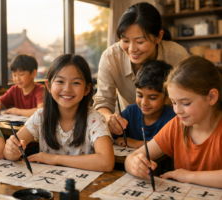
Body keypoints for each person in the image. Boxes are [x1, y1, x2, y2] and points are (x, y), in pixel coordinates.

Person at [4, 54, 115, 172]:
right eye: (60, 81)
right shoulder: (41, 116)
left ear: (87, 89)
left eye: (76, 83)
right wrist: (11, 150)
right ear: (49, 86)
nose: (67, 89)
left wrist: (55, 159)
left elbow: (106, 162)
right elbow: (9, 153)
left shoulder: (95, 119)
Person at [93, 2, 189, 138]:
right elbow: (103, 102)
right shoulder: (110, 57)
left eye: (140, 42)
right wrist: (110, 119)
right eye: (125, 40)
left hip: (171, 129)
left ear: (159, 37)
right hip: (129, 128)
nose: (132, 49)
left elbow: (188, 101)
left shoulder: (178, 55)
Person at [125, 56, 222, 188]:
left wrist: (189, 176)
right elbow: (133, 157)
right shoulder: (177, 125)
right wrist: (135, 164)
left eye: (185, 103)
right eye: (173, 102)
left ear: (211, 97)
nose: (177, 110)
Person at [114, 60, 175, 148]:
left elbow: (168, 144)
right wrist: (113, 127)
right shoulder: (130, 112)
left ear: (167, 97)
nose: (144, 103)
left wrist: (136, 143)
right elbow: (114, 137)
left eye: (152, 98)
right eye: (140, 95)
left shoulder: (173, 118)